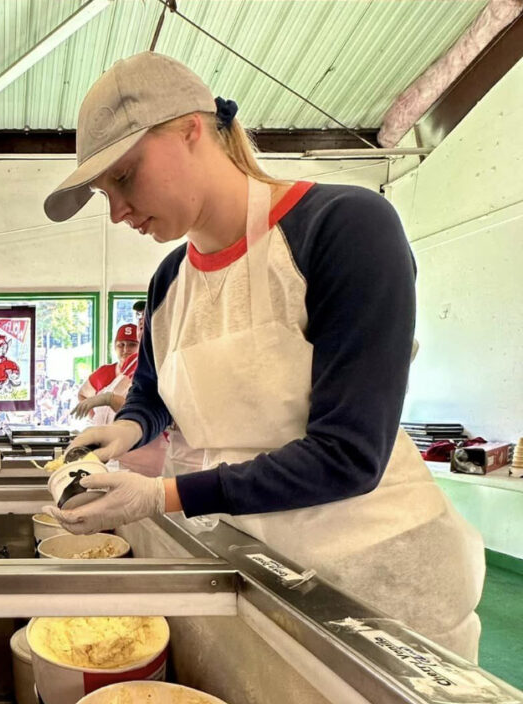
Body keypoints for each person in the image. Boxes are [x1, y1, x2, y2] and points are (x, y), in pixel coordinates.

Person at [41, 52, 483, 659]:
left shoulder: (344, 229)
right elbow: (152, 392)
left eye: (123, 177)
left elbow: (349, 454)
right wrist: (125, 428)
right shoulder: (171, 280)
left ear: (189, 129)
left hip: (378, 588)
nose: (115, 212)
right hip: (258, 565)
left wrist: (163, 496)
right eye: (103, 192)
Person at [70, 323, 167, 476]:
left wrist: (108, 399)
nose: (125, 350)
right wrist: (94, 418)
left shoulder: (150, 367)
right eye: (120, 345)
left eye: (131, 344)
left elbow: (144, 407)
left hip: (145, 454)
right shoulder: (118, 369)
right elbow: (83, 394)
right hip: (119, 453)